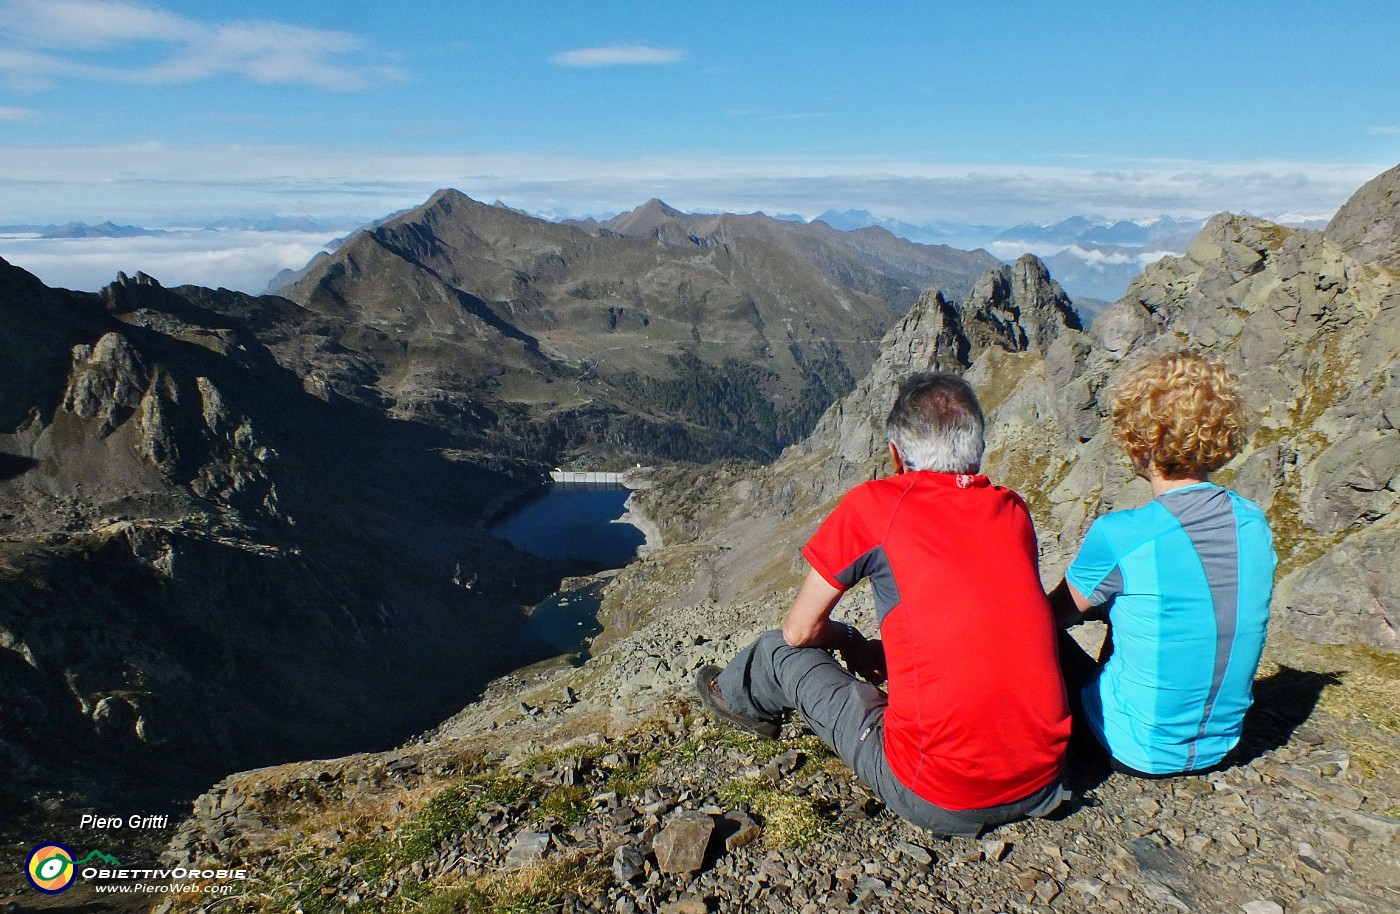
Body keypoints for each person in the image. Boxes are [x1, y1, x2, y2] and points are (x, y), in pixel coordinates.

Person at [696, 372, 1071, 836]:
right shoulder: (1013, 509)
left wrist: (848, 637)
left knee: (777, 651)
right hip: (1043, 778)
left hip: (940, 793)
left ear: (896, 453)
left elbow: (799, 630)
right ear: (977, 447)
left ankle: (733, 697)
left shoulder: (876, 505)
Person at [1049, 349, 1276, 778]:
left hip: (1132, 749)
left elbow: (1050, 617)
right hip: (1224, 744)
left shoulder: (1123, 534)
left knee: (1029, 634)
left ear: (1142, 439)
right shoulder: (1254, 523)